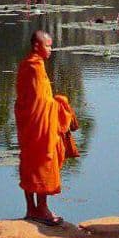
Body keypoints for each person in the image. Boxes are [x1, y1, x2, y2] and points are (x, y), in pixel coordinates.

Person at [15, 30, 78, 227]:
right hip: (39, 127)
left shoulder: (26, 65)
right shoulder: (35, 67)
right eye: (48, 45)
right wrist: (61, 104)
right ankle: (41, 209)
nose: (51, 49)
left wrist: (53, 103)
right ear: (37, 46)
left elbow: (26, 100)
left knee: (29, 163)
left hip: (29, 124)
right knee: (43, 161)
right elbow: (41, 101)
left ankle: (30, 209)